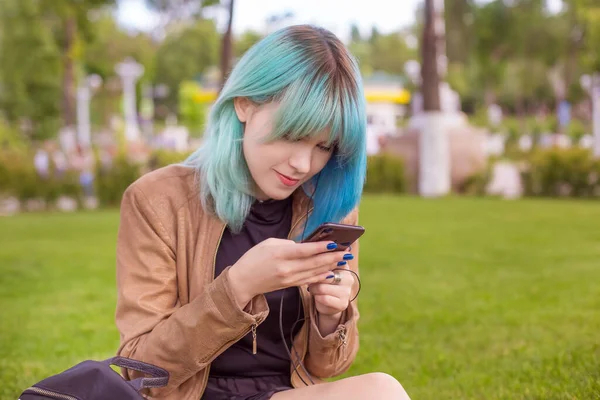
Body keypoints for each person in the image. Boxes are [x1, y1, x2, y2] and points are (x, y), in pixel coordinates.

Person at [115, 25, 411, 400]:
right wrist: (239, 285)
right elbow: (139, 372)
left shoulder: (330, 205)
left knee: (382, 391)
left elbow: (327, 369)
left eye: (324, 146)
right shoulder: (157, 200)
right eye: (291, 134)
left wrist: (331, 316)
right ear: (243, 104)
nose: (304, 164)